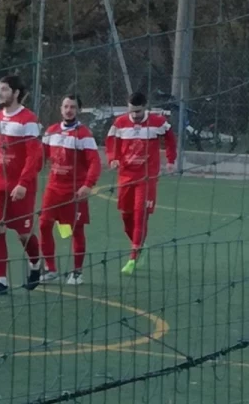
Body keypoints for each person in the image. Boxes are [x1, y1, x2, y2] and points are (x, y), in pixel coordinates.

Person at [0, 74, 45, 295]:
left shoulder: (28, 120)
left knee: (23, 234)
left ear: (16, 93)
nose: (0, 93)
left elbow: (34, 156)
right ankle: (0, 280)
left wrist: (23, 183)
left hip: (20, 187)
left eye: (5, 89)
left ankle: (36, 265)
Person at [104, 91, 177, 273]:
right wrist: (113, 158)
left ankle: (133, 257)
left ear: (145, 107)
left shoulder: (158, 122)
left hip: (147, 177)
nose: (135, 115)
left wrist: (171, 159)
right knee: (126, 217)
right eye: (132, 111)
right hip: (126, 176)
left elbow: (170, 139)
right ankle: (140, 246)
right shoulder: (120, 123)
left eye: (138, 111)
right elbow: (111, 141)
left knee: (140, 215)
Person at [37, 96, 102, 285]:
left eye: (73, 107)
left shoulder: (84, 134)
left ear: (78, 110)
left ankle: (77, 272)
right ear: (60, 109)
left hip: (74, 192)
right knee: (43, 225)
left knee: (77, 230)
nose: (69, 110)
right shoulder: (51, 131)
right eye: (66, 106)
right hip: (53, 189)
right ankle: (50, 269)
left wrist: (88, 184)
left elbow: (94, 163)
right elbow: (40, 158)